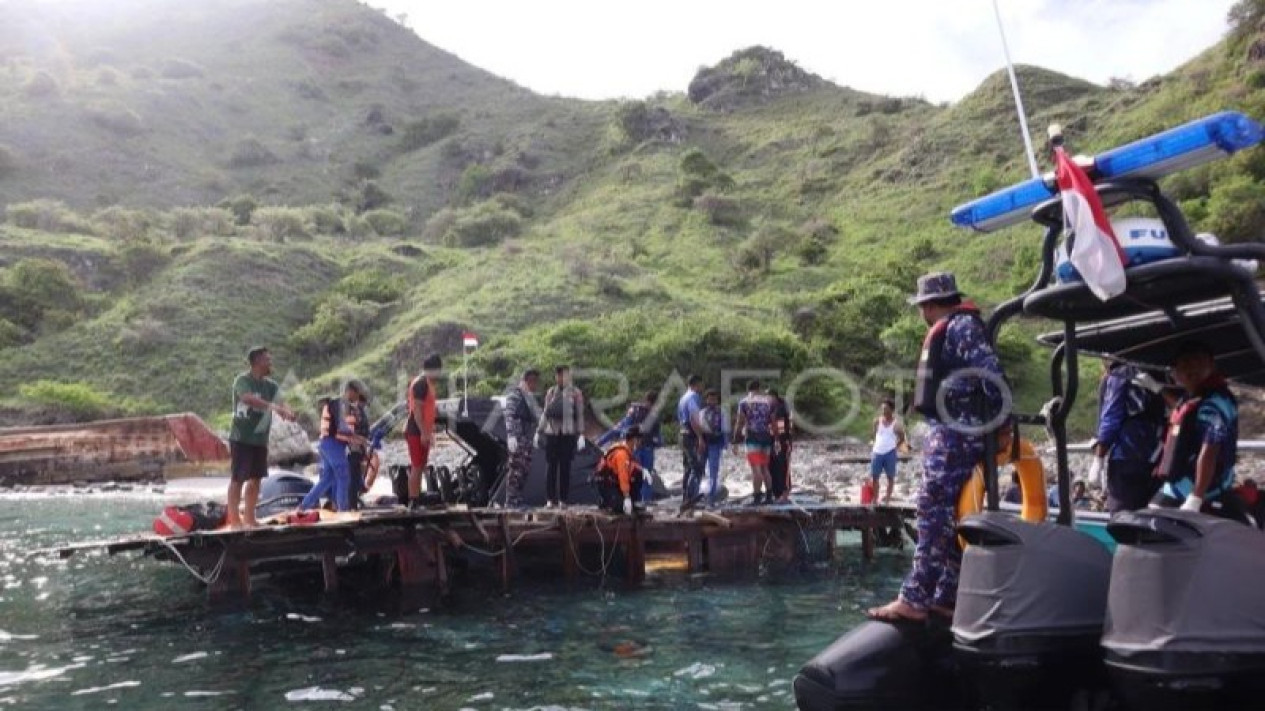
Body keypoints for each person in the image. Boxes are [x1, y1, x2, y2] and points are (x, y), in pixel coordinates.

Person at [870, 271, 1006, 623]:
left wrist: (1000, 425)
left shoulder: (961, 328)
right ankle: (946, 594)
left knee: (932, 510)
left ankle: (915, 598)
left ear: (929, 306)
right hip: (955, 431)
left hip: (957, 434)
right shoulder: (959, 328)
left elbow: (993, 377)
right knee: (949, 513)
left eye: (922, 307)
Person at [1149, 341, 1249, 523]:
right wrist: (1158, 389)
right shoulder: (1193, 396)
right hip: (1177, 484)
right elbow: (1183, 413)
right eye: (1185, 364)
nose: (1191, 369)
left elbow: (1210, 449)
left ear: (1211, 365)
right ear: (1176, 373)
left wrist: (1196, 497)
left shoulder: (1217, 402)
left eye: (1197, 363)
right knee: (1149, 524)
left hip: (1206, 489)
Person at [227, 347, 295, 529]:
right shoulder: (242, 381)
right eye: (267, 360)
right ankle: (234, 521)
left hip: (259, 440)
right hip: (241, 437)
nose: (270, 363)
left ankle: (250, 518)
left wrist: (287, 411)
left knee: (256, 478)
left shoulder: (271, 386)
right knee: (238, 478)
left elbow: (282, 402)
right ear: (257, 362)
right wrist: (273, 407)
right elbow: (247, 398)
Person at [1090, 360, 1166, 513]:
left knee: (1123, 516)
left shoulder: (1120, 375)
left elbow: (1111, 418)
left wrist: (1098, 460)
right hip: (1158, 458)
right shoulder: (1160, 372)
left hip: (1127, 456)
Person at [300, 382, 368, 513]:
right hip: (332, 444)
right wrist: (358, 438)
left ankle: (304, 506)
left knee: (327, 479)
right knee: (344, 475)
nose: (357, 398)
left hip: (327, 444)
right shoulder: (340, 404)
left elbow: (343, 430)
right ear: (350, 391)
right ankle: (343, 510)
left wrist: (359, 439)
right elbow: (342, 428)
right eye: (356, 394)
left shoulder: (345, 406)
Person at [597, 390, 662, 502]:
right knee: (636, 475)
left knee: (642, 475)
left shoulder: (643, 414)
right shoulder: (638, 412)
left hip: (643, 449)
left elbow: (619, 428)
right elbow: (621, 428)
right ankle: (637, 500)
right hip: (639, 449)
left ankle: (642, 501)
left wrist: (600, 441)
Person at [537, 365, 586, 508]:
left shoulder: (576, 393)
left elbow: (580, 415)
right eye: (559, 376)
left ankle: (563, 499)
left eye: (564, 376)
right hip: (552, 432)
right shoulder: (551, 392)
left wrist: (581, 434)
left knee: (565, 467)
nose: (561, 378)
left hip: (568, 433)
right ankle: (550, 499)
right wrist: (539, 431)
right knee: (551, 467)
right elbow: (545, 413)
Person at [404, 354, 442, 509]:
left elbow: (427, 407)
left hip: (422, 429)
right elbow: (417, 411)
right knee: (417, 465)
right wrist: (424, 433)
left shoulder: (427, 383)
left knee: (422, 464)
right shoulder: (421, 384)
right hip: (416, 429)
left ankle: (417, 496)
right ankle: (413, 500)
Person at [732, 380, 775, 505]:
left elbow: (740, 422)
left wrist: (735, 441)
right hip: (766, 437)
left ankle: (757, 497)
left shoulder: (744, 402)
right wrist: (776, 438)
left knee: (756, 469)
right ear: (759, 389)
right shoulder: (768, 402)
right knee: (765, 468)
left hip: (752, 438)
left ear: (748, 389)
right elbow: (772, 421)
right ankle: (769, 496)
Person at [503, 368, 541, 508]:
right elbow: (509, 415)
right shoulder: (515, 396)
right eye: (533, 382)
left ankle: (517, 499)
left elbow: (536, 416)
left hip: (526, 438)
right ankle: (511, 500)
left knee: (524, 469)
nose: (535, 386)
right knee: (516, 470)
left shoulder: (528, 397)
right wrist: (511, 435)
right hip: (518, 437)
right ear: (527, 381)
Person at [594, 426, 646, 515]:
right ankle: (607, 502)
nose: (640, 443)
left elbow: (632, 468)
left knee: (638, 472)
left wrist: (643, 470)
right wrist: (626, 497)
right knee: (620, 508)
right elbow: (623, 476)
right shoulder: (622, 454)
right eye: (639, 440)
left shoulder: (628, 451)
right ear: (634, 440)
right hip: (607, 484)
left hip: (614, 483)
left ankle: (633, 500)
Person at [869, 399, 907, 504]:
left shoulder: (896, 424)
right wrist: (874, 442)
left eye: (886, 409)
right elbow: (873, 434)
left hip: (890, 452)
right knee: (874, 476)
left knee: (890, 477)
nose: (883, 411)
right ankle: (875, 499)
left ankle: (888, 499)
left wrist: (896, 446)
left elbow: (902, 437)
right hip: (877, 451)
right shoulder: (877, 421)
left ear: (891, 410)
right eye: (882, 408)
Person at [677, 375, 706, 505]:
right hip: (691, 435)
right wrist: (700, 437)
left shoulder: (683, 398)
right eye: (701, 384)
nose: (702, 387)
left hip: (683, 433)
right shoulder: (693, 397)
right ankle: (691, 497)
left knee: (687, 467)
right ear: (697, 384)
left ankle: (685, 496)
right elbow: (694, 419)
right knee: (696, 467)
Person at [345, 380, 374, 508]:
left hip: (358, 446)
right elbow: (350, 430)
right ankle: (351, 505)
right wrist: (362, 441)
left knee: (356, 475)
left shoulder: (357, 409)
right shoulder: (349, 408)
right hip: (353, 447)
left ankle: (354, 502)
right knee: (353, 476)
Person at [699, 389, 728, 507]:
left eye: (714, 399)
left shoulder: (722, 412)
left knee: (713, 470)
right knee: (699, 469)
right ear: (706, 400)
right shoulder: (701, 413)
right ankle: (699, 493)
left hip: (715, 444)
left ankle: (711, 496)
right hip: (703, 444)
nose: (712, 401)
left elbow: (725, 429)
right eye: (710, 399)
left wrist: (725, 443)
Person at [768, 388, 793, 502]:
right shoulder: (770, 409)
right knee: (773, 466)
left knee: (783, 466)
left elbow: (781, 427)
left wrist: (778, 440)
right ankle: (776, 492)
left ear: (775, 397)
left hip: (782, 441)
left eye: (769, 397)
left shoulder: (781, 408)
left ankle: (785, 492)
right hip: (772, 440)